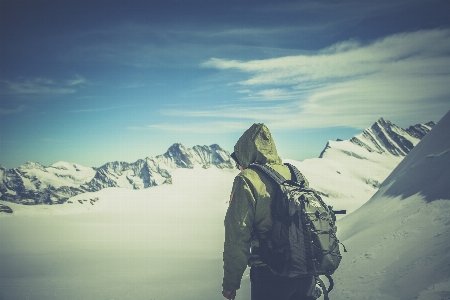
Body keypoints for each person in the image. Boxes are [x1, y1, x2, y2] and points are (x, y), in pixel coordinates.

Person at [222, 123, 316, 300]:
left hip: (270, 273)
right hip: (306, 271)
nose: (238, 166)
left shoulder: (247, 179)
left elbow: (237, 234)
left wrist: (231, 283)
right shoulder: (296, 174)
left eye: (238, 162)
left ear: (246, 153)